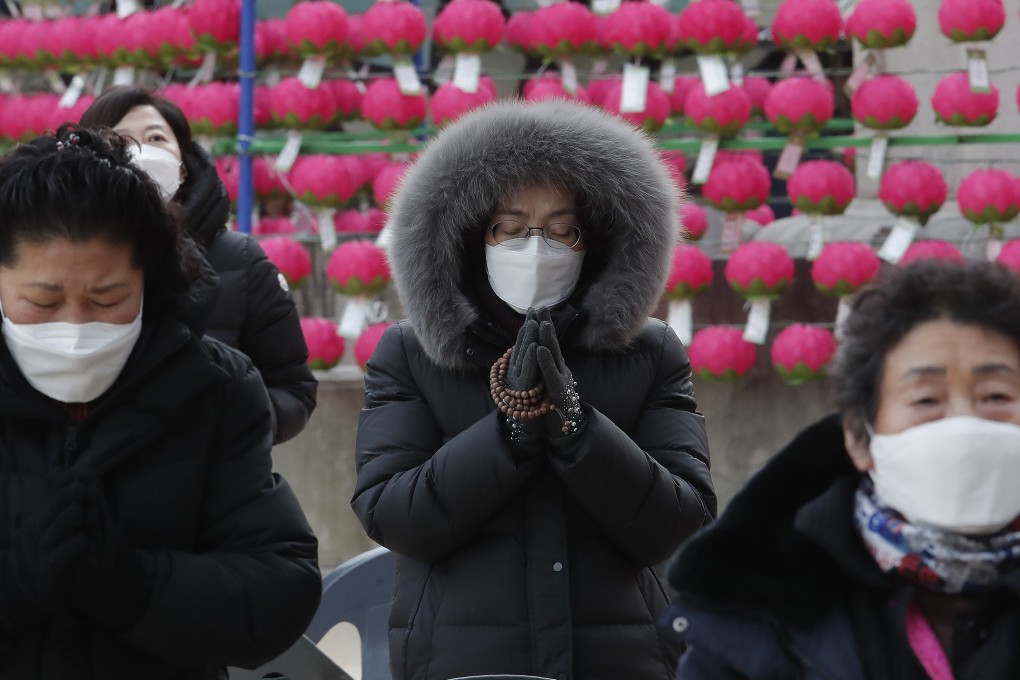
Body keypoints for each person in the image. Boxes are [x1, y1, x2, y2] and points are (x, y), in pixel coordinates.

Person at [352, 99, 717, 680]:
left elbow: (680, 521)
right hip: (464, 662)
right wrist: (507, 434)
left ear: (594, 238)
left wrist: (580, 431)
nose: (536, 246)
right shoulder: (412, 354)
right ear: (473, 235)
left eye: (561, 229)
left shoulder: (650, 353)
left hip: (621, 659)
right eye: (511, 227)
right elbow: (395, 516)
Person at [0, 126, 321, 679]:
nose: (75, 327)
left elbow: (278, 587)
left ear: (149, 282)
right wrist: (18, 582)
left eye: (108, 299)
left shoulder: (213, 389)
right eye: (42, 301)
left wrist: (133, 584)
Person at [664, 260, 1020, 679]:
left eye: (996, 395)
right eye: (926, 400)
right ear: (859, 436)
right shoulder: (754, 612)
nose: (963, 427)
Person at [80, 87, 316, 444]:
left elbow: (292, 387)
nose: (140, 151)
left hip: (213, 484)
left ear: (184, 164)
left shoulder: (241, 260)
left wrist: (234, 423)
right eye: (120, 139)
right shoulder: (55, 257)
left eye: (156, 137)